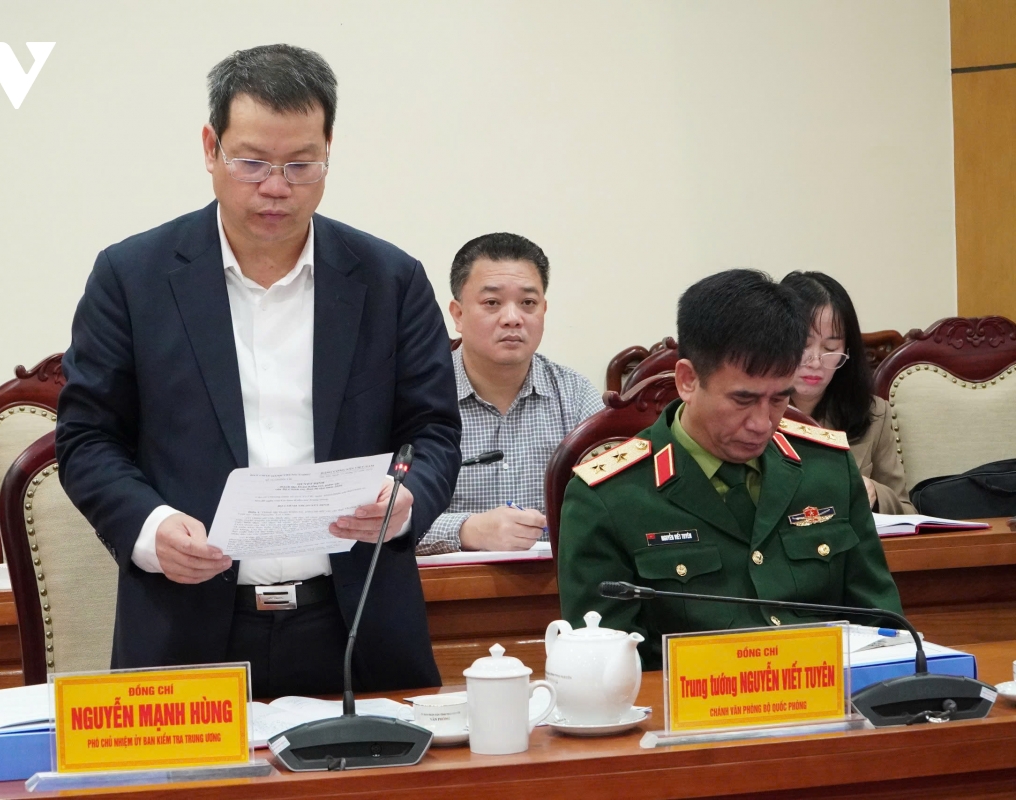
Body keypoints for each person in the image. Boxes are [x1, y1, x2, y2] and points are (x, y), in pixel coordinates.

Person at [55, 44, 461, 699]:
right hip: (186, 626)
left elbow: (433, 430)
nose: (276, 186)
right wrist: (152, 528)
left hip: (357, 625)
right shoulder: (131, 278)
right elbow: (87, 438)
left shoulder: (390, 280)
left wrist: (407, 496)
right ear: (210, 148)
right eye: (252, 162)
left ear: (329, 153)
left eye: (301, 164)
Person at [557, 269, 902, 669]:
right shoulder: (608, 496)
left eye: (779, 398)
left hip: (826, 697)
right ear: (688, 380)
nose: (762, 423)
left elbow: (883, 629)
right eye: (743, 399)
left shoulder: (827, 468)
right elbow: (603, 669)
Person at [417, 234, 604, 555]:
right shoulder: (418, 396)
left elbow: (615, 505)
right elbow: (380, 521)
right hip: (449, 583)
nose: (513, 318)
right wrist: (465, 530)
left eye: (528, 303)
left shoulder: (575, 395)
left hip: (553, 581)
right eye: (492, 303)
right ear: (458, 314)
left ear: (544, 309)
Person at [781, 271, 915, 514]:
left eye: (830, 347)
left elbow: (907, 511)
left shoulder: (873, 413)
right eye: (803, 344)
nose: (816, 361)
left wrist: (874, 493)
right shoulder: (753, 411)